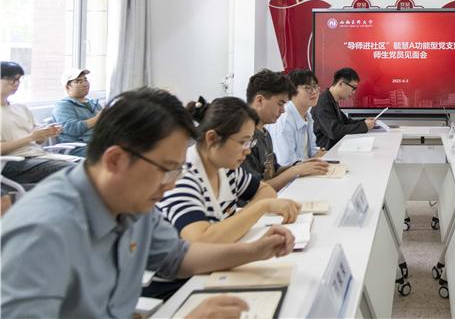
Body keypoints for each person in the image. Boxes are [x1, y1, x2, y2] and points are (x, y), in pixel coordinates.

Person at [1, 87, 295, 318]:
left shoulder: (131, 202)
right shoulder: (43, 232)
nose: (171, 184)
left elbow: (178, 258)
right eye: (166, 170)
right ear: (115, 160)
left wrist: (255, 250)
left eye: (177, 170)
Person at [157, 96, 301, 244]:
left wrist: (235, 224)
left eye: (250, 142)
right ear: (212, 138)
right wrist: (261, 207)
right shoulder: (182, 177)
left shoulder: (225, 168)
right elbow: (201, 241)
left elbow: (267, 191)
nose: (248, 151)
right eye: (243, 142)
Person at [244, 70, 329, 191]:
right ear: (260, 100)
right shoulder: (245, 139)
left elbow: (274, 170)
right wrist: (296, 170)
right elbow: (256, 190)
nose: (283, 110)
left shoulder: (264, 133)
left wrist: (302, 165)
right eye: (280, 104)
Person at [0, 61, 75, 188]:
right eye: (12, 79)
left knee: (91, 168)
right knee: (76, 173)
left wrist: (46, 133)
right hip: (12, 162)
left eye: (18, 80)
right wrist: (31, 137)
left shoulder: (21, 108)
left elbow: (38, 141)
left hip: (38, 156)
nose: (16, 84)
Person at [269, 69, 326, 165]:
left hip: (306, 169)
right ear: (292, 90)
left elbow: (311, 151)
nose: (315, 92)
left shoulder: (307, 116)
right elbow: (287, 163)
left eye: (316, 87)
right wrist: (314, 158)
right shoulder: (285, 120)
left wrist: (318, 153)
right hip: (294, 174)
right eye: (308, 87)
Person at [312, 67, 375, 150]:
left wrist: (364, 121)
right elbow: (334, 132)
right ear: (341, 83)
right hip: (326, 153)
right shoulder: (322, 103)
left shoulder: (332, 100)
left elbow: (346, 122)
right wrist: (364, 126)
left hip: (335, 148)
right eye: (353, 87)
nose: (354, 92)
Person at [51, 68, 104, 156]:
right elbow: (72, 128)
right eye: (79, 81)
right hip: (77, 148)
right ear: (67, 87)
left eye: (85, 80)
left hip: (99, 143)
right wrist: (97, 119)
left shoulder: (94, 103)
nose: (85, 84)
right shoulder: (62, 105)